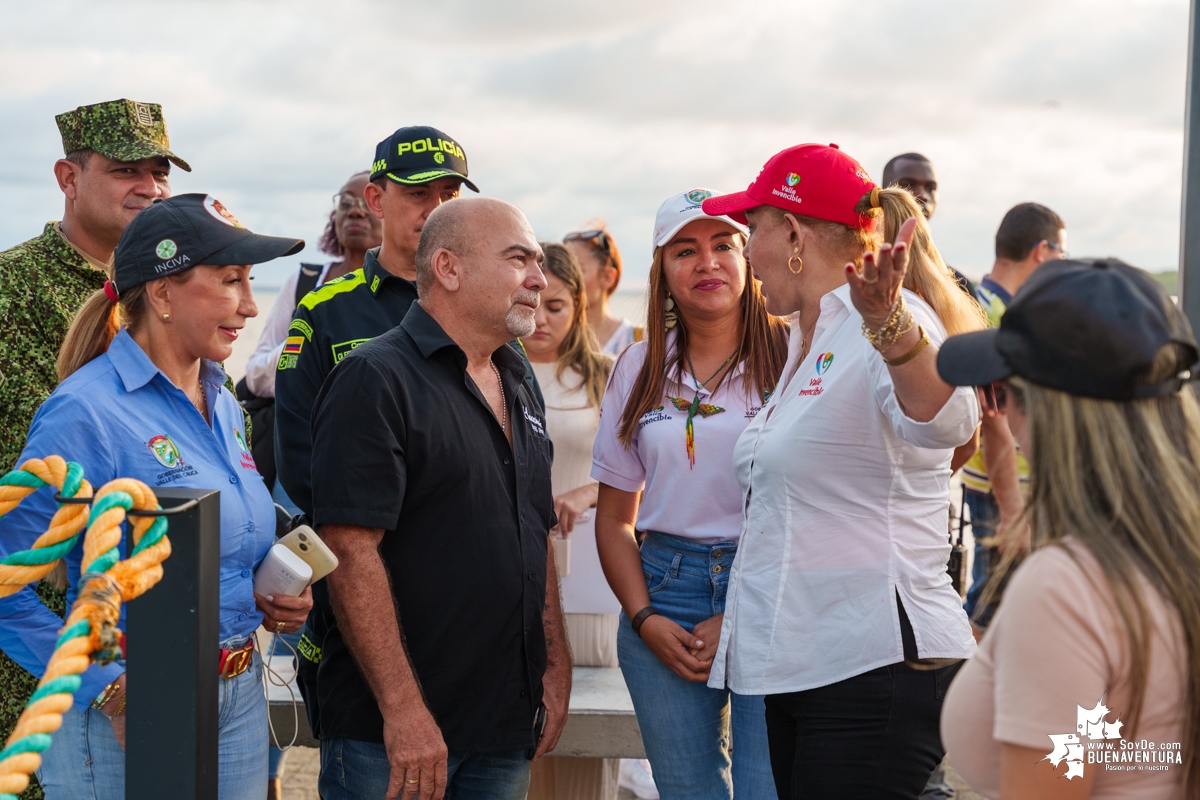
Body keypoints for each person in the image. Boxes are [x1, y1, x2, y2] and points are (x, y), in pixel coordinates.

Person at [0, 194, 312, 799]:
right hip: (124, 708)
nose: (251, 306)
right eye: (230, 282)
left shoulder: (223, 402)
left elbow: (204, 552)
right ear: (163, 294)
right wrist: (108, 687)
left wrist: (260, 594)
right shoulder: (83, 413)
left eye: (251, 282)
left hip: (239, 696)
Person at [700, 143, 985, 798]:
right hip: (805, 665)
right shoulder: (810, 338)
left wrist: (888, 325)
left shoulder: (888, 320)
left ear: (793, 233)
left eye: (753, 232)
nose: (747, 253)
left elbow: (949, 422)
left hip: (874, 664)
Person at [307, 197, 569, 800]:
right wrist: (403, 709)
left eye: (538, 261)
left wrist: (554, 668)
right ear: (448, 269)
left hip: (503, 726)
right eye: (518, 259)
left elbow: (534, 528)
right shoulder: (374, 379)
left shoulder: (518, 377)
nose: (539, 277)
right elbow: (349, 550)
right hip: (393, 740)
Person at [938, 258, 1200, 799]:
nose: (998, 417)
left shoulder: (1066, 587)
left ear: (1051, 412)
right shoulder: (1176, 550)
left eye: (999, 393)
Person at [0, 98, 184, 800]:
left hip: (166, 611)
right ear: (66, 178)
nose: (150, 187)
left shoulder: (173, 289)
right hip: (36, 623)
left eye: (160, 172)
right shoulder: (10, 289)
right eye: (126, 171)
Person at [591, 189, 787, 799]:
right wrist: (644, 618)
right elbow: (615, 518)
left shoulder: (796, 355)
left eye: (723, 245)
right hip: (664, 592)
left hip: (773, 588)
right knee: (689, 792)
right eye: (685, 250)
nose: (707, 263)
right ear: (663, 273)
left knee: (766, 789)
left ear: (749, 257)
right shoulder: (638, 367)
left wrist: (742, 606)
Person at [523, 243, 618, 800]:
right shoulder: (489, 371)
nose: (540, 320)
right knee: (516, 739)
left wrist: (590, 490)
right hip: (511, 576)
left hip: (588, 580)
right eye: (532, 302)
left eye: (556, 306)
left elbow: (654, 473)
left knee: (588, 733)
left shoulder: (610, 375)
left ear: (580, 305)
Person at [240, 170, 382, 504]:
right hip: (300, 460)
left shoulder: (409, 294)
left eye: (366, 203)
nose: (355, 211)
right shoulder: (305, 282)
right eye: (345, 202)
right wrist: (309, 347)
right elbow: (256, 373)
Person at [960, 203, 1066, 632]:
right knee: (996, 603)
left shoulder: (982, 304)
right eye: (1062, 254)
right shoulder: (996, 318)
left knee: (997, 597)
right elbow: (994, 418)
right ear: (1041, 251)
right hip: (1002, 486)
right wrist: (1012, 511)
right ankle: (974, 693)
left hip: (989, 479)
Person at [564, 226, 642, 354]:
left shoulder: (638, 340)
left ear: (607, 277)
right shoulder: (549, 338)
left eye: (577, 270)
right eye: (563, 270)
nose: (567, 279)